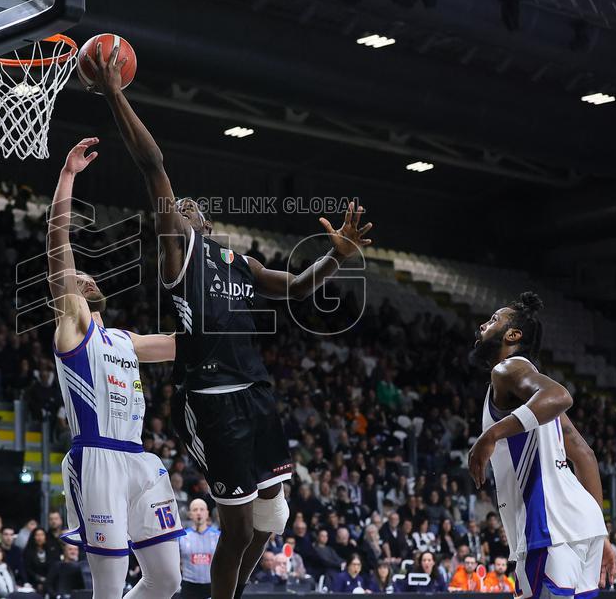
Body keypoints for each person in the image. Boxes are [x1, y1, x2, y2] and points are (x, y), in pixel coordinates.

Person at [85, 41, 372, 599]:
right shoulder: (177, 254)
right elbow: (153, 165)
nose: (182, 206)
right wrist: (116, 93)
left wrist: (335, 255)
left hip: (256, 392)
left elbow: (295, 288)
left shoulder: (238, 262)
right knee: (236, 525)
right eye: (178, 206)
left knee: (272, 519)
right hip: (212, 394)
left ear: (208, 222)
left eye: (192, 206)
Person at [47, 138, 185, 598]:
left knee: (166, 579)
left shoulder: (125, 340)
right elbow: (58, 244)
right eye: (75, 278)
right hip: (97, 458)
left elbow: (186, 346)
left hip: (137, 459)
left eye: (88, 276)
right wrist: (68, 176)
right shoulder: (72, 329)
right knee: (108, 588)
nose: (83, 277)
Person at [468, 293, 614, 599]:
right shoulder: (533, 399)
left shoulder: (506, 369)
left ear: (513, 335)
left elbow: (561, 395)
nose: (483, 324)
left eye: (494, 320)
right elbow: (585, 455)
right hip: (584, 526)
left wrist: (489, 435)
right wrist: (602, 535)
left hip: (548, 529)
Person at [179, 498, 221, 599]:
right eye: (195, 510)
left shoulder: (218, 536)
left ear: (207, 513)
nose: (198, 513)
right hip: (189, 586)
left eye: (202, 509)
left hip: (212, 586)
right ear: (190, 514)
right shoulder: (182, 537)